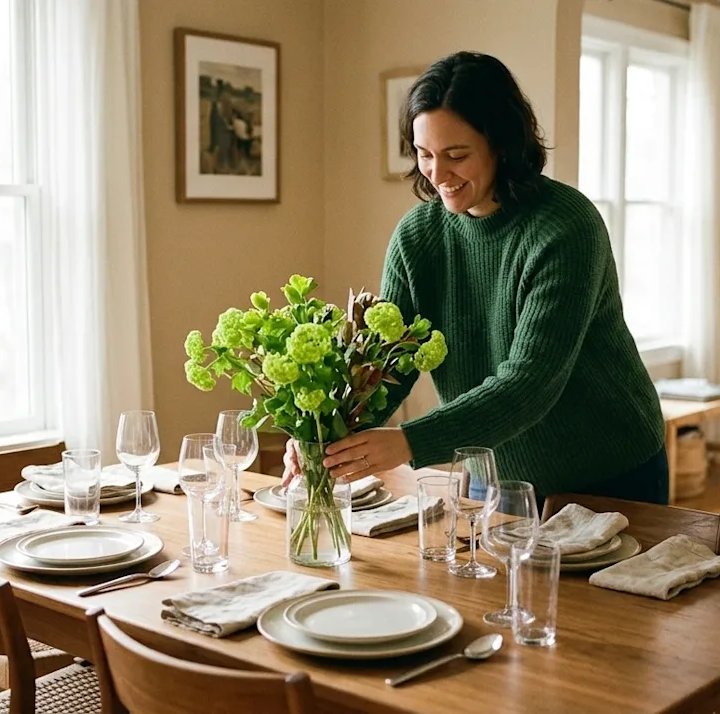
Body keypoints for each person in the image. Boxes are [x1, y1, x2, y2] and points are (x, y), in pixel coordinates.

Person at [285, 51, 669, 506]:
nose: (438, 174)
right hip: (493, 470)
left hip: (608, 472)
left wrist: (408, 442)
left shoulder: (566, 227)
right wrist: (331, 427)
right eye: (425, 154)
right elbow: (388, 366)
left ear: (502, 144)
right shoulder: (417, 237)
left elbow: (530, 383)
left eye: (456, 155)